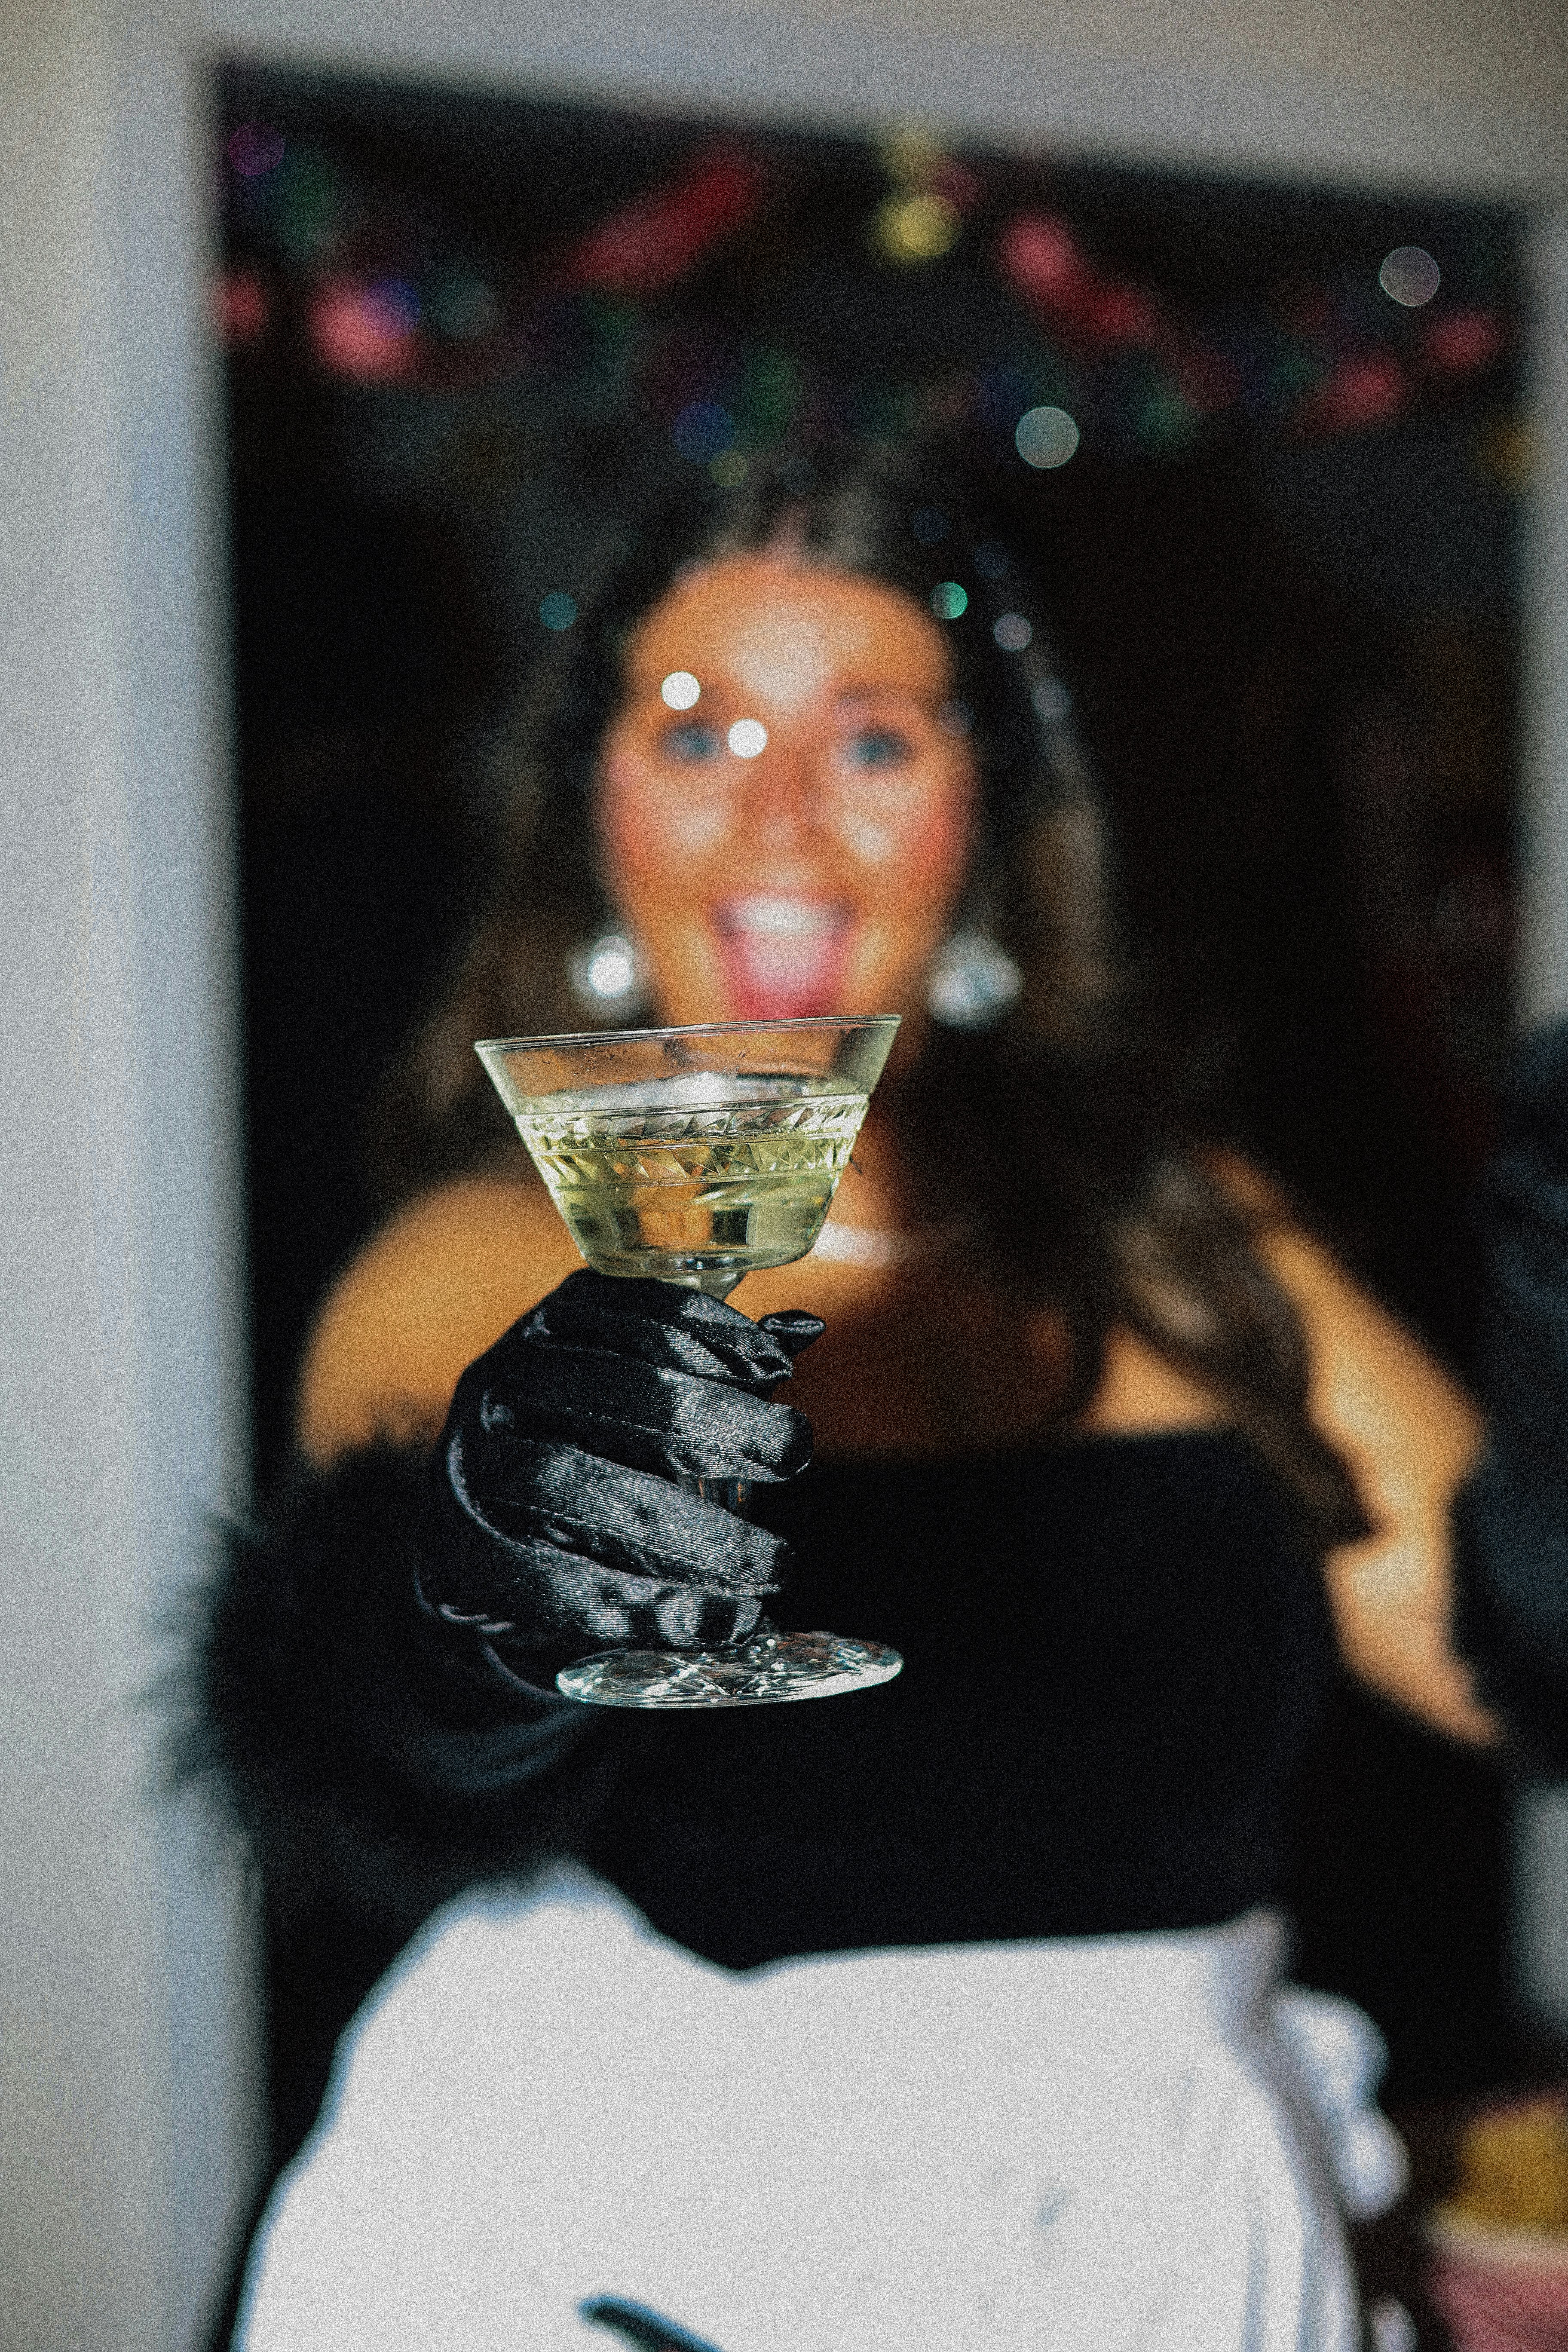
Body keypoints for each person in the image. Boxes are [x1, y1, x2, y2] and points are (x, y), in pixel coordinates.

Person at [193, 443, 1499, 2351]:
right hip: (662, 2250)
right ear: (592, 809)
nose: (784, 817)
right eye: (699, 731)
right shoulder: (471, 1266)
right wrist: (494, 1596)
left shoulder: (1179, 1229)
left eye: (874, 742)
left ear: (989, 814)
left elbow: (1492, 1642)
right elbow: (380, 1709)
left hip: (1162, 2242)